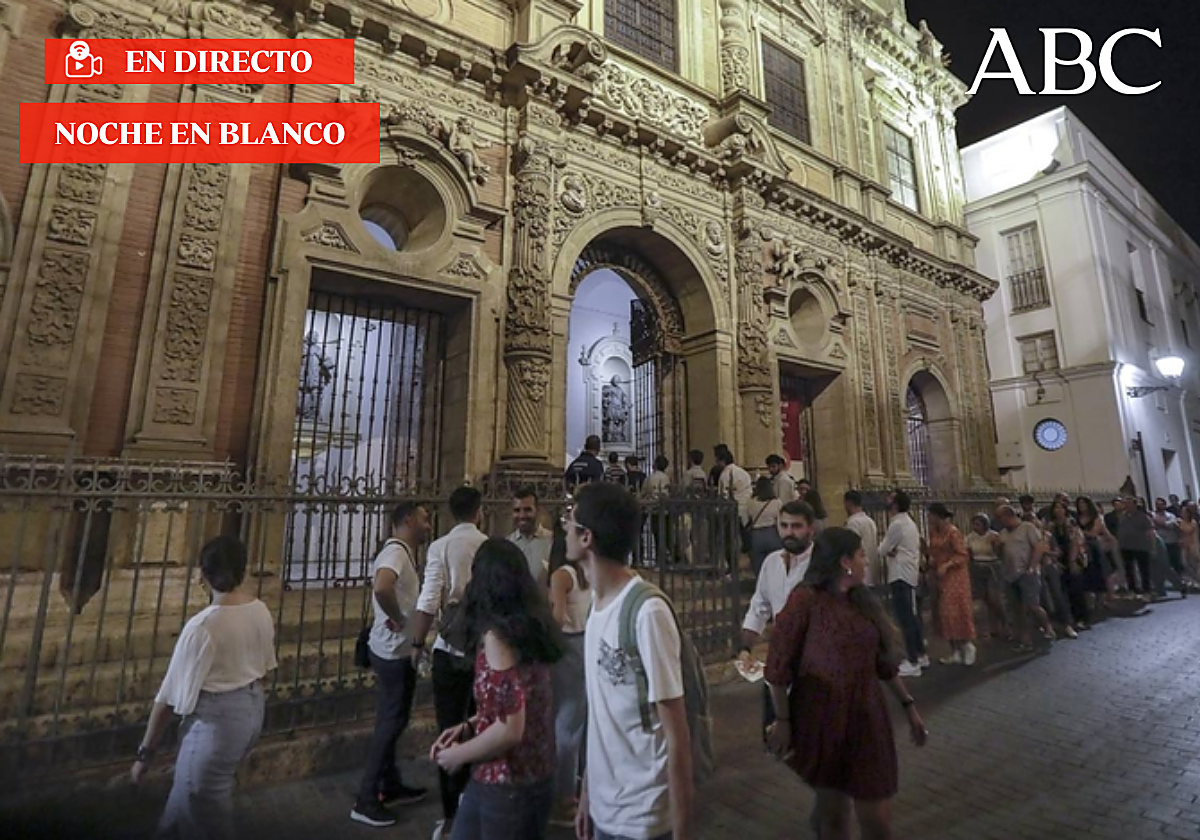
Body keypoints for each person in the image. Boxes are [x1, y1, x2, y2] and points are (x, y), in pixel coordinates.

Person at [764, 528, 928, 840]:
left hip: (866, 717)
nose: (867, 560)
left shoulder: (862, 601)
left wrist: (909, 707)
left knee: (877, 820)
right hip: (825, 718)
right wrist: (782, 720)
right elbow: (777, 666)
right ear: (845, 562)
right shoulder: (805, 601)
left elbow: (883, 664)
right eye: (861, 554)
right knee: (834, 817)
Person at [568, 482, 695, 840]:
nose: (564, 527)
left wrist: (683, 832)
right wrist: (588, 794)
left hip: (643, 817)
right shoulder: (596, 605)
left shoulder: (647, 612)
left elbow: (676, 732)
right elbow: (602, 711)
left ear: (587, 537)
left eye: (570, 519)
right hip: (605, 807)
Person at [132, 536, 278, 840]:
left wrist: (145, 754)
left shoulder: (203, 627)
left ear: (203, 575)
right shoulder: (260, 610)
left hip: (216, 724)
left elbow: (169, 698)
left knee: (205, 815)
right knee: (183, 804)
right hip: (251, 711)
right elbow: (264, 667)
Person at [430, 538, 563, 840]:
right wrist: (470, 724)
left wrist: (457, 756)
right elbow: (515, 700)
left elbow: (509, 730)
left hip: (508, 781)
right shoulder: (530, 626)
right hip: (531, 772)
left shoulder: (498, 638)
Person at [409, 486, 490, 840]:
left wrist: (416, 643)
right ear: (480, 511)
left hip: (447, 647)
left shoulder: (440, 547)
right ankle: (478, 805)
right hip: (483, 650)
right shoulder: (488, 546)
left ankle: (451, 815)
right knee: (481, 726)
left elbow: (429, 600)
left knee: (449, 728)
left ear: (451, 512)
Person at [351, 503, 433, 828]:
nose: (428, 524)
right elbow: (383, 586)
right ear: (409, 520)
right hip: (391, 653)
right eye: (425, 519)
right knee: (390, 724)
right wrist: (398, 617)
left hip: (392, 651)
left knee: (393, 721)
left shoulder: (399, 551)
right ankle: (366, 798)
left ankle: (390, 783)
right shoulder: (396, 553)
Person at [738, 500, 815, 741]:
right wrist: (745, 648)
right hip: (779, 655)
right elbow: (759, 606)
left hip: (811, 657)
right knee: (773, 728)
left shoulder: (820, 564)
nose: (789, 532)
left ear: (811, 529)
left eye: (796, 526)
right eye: (784, 526)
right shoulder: (771, 562)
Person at [546, 524, 591, 827]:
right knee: (578, 720)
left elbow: (557, 618)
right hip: (586, 642)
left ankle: (563, 799)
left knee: (566, 725)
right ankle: (578, 785)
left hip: (567, 647)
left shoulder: (561, 575)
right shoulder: (585, 574)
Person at [877, 490, 926, 677]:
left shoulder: (897, 523)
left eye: (890, 498)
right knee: (911, 617)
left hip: (899, 575)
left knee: (905, 618)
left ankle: (912, 661)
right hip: (908, 573)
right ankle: (921, 654)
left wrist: (888, 550)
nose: (886, 500)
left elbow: (882, 549)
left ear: (895, 504)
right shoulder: (909, 521)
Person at [996, 505, 1056, 651]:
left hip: (1027, 573)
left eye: (1000, 517)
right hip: (1011, 574)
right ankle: (1025, 639)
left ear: (1008, 516)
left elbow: (1039, 547)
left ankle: (1047, 626)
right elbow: (1001, 553)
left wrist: (1032, 566)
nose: (998, 521)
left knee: (1032, 606)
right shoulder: (1003, 533)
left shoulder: (1027, 527)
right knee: (1018, 608)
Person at [925, 504, 977, 666]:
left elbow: (963, 555)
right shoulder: (933, 532)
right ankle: (954, 649)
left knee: (957, 610)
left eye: (931, 515)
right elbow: (934, 552)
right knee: (944, 613)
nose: (928, 518)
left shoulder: (953, 533)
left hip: (955, 576)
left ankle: (967, 645)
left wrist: (947, 565)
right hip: (939, 576)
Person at [965, 514, 1008, 639]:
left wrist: (996, 545)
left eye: (978, 524)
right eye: (974, 524)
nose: (975, 527)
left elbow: (1000, 554)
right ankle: (992, 627)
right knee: (984, 599)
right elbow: (969, 555)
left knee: (994, 598)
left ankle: (1004, 622)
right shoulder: (970, 538)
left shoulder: (993, 535)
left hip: (992, 567)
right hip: (977, 567)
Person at [508, 487, 552, 588]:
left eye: (527, 510)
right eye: (517, 510)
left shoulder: (552, 541)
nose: (522, 515)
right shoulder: (508, 544)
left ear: (538, 510)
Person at [745, 477, 785, 577]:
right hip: (772, 533)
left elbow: (748, 516)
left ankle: (762, 586)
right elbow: (780, 521)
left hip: (756, 535)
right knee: (776, 564)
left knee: (759, 566)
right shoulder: (777, 502)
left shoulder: (751, 502)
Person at [1118, 497, 1156, 595]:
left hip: (1140, 546)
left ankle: (1146, 590)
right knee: (1129, 569)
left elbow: (1150, 532)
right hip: (1126, 546)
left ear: (1134, 505)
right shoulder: (1122, 516)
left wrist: (1152, 546)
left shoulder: (1143, 516)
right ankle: (1132, 589)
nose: (1127, 505)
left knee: (1144, 569)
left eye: (1129, 503)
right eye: (1125, 503)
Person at [843, 491, 879, 588]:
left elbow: (851, 547)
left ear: (848, 503)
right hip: (873, 568)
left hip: (861, 570)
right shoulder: (870, 521)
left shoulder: (853, 523)